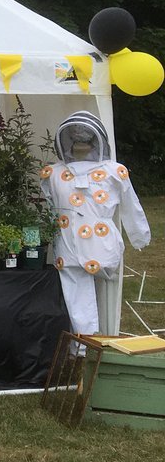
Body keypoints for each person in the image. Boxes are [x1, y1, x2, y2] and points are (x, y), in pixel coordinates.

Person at [40, 111, 149, 334]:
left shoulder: (114, 171)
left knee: (107, 292)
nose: (79, 140)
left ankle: (106, 337)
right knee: (75, 296)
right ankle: (83, 346)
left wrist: (139, 236)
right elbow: (49, 210)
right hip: (68, 241)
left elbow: (130, 205)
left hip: (101, 241)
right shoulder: (52, 173)